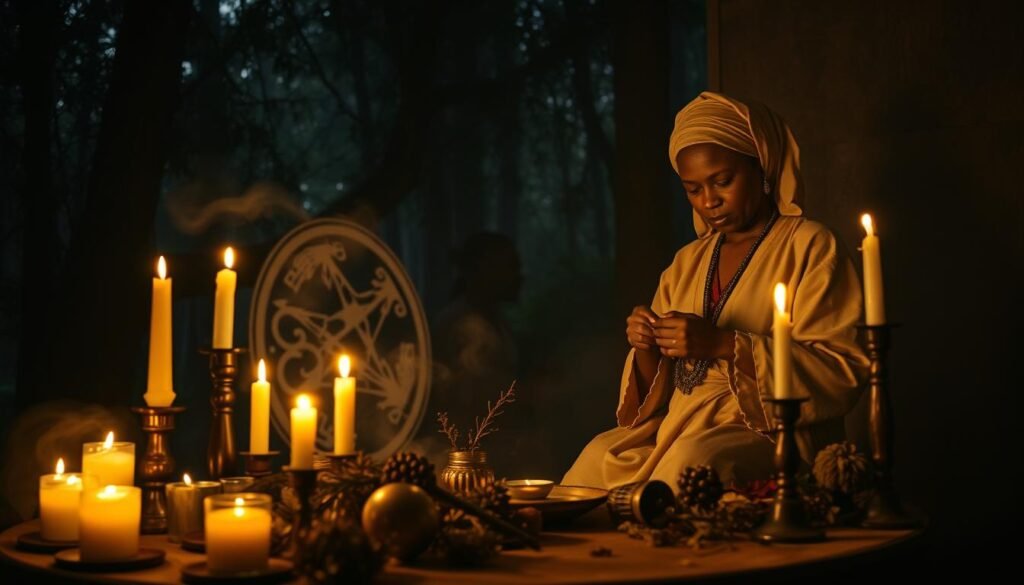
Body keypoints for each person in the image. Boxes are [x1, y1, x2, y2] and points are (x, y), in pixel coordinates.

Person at [562, 92, 869, 489]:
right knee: (599, 457)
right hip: (680, 424)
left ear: (763, 167)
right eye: (693, 189)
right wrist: (646, 346)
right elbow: (657, 391)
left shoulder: (810, 246)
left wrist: (725, 344)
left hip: (767, 432)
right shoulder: (687, 261)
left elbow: (841, 369)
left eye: (723, 181)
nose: (709, 201)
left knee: (695, 464)